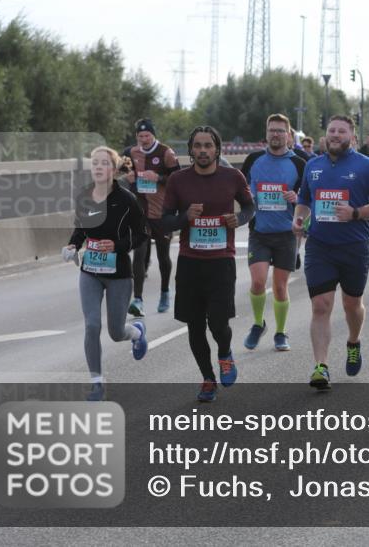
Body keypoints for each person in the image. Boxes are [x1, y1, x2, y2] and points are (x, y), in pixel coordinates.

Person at [292, 115, 369, 390]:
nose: (335, 135)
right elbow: (304, 199)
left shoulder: (366, 166)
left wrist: (355, 213)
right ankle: (321, 367)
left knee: (352, 304)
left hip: (353, 247)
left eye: (341, 131)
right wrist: (298, 218)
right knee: (321, 305)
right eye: (331, 130)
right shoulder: (313, 166)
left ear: (352, 137)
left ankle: (354, 341)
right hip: (319, 246)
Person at [161, 126, 255, 402]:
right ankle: (207, 379)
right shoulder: (178, 180)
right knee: (195, 325)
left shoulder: (232, 177)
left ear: (217, 149)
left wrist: (239, 219)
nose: (203, 151)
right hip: (190, 263)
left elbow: (249, 207)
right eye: (198, 146)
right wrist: (185, 217)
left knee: (218, 322)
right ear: (191, 150)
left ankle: (225, 354)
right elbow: (165, 221)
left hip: (221, 261)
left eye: (208, 146)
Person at [64, 146, 149, 401]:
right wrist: (72, 245)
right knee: (92, 325)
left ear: (113, 169)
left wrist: (117, 246)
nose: (99, 167)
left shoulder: (126, 199)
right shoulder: (84, 196)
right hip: (90, 270)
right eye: (95, 163)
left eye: (104, 163)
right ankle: (97, 384)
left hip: (118, 273)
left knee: (115, 332)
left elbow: (142, 234)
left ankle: (136, 332)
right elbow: (80, 229)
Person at [240, 114, 308, 352]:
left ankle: (281, 332)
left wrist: (296, 197)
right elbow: (240, 188)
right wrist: (247, 198)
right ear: (266, 133)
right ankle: (258, 324)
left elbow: (309, 197)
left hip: (286, 234)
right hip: (259, 232)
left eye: (280, 131)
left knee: (280, 287)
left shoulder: (299, 163)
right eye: (272, 130)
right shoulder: (254, 159)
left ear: (288, 135)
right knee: (258, 282)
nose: (275, 134)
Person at [123, 119, 180, 317]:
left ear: (153, 135)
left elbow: (178, 178)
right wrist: (128, 174)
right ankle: (138, 299)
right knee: (139, 254)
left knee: (163, 256)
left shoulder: (166, 153)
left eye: (147, 136)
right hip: (140, 213)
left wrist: (159, 178)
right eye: (140, 136)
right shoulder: (131, 152)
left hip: (162, 213)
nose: (144, 139)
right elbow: (119, 165)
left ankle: (165, 292)